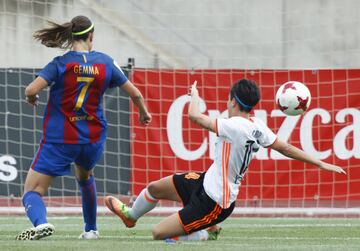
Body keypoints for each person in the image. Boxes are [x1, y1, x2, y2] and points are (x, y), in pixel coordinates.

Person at [105, 79, 345, 242]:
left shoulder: (234, 126)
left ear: (232, 101)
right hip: (205, 182)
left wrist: (195, 95)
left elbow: (194, 116)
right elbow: (286, 148)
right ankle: (131, 217)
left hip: (215, 202)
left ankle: (205, 233)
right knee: (155, 188)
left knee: (159, 234)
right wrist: (320, 163)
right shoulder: (256, 126)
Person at [15, 15, 151, 240]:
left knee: (32, 191)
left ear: (71, 35)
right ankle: (90, 230)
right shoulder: (106, 62)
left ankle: (41, 224)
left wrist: (31, 98)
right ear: (91, 36)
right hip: (92, 139)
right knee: (85, 177)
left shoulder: (61, 63)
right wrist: (144, 113)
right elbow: (135, 93)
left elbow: (30, 90)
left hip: (61, 138)